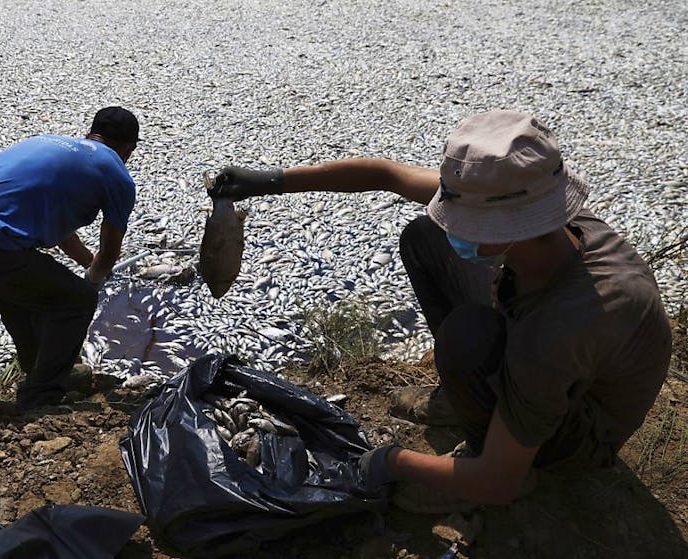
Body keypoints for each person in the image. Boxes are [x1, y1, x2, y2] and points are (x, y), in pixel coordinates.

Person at [210, 110, 671, 509]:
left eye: (466, 222)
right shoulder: (545, 221)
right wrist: (270, 181)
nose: (455, 224)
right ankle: (471, 398)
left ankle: (489, 445)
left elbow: (500, 482)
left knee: (467, 338)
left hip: (578, 436)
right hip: (553, 361)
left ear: (505, 225)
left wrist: (392, 462)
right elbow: (385, 175)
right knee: (425, 236)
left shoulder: (561, 330)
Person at [0, 107, 140, 412]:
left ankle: (37, 372)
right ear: (129, 148)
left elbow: (65, 236)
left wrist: (86, 264)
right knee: (75, 301)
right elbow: (110, 251)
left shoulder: (49, 143)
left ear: (89, 134)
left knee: (20, 303)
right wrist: (93, 280)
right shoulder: (117, 173)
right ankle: (42, 399)